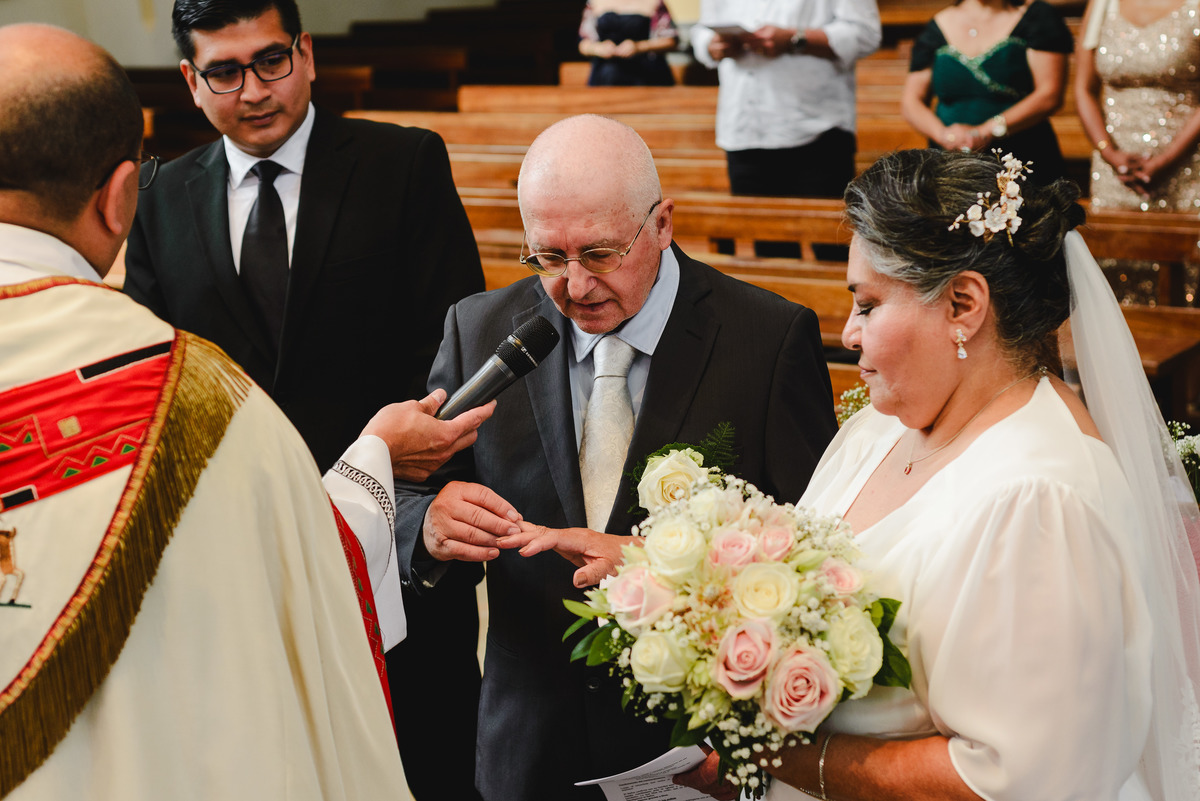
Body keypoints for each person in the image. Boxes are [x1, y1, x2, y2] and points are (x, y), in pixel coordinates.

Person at [0, 22, 494, 801]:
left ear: (306, 53)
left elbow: (454, 353)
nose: (255, 91)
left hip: (406, 576)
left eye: (271, 61)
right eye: (225, 72)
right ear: (120, 197)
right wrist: (374, 454)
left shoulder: (402, 165)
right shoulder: (191, 375)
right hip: (222, 603)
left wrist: (422, 516)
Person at [671, 147, 1200, 801]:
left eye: (868, 304)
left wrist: (779, 757)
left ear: (962, 304)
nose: (849, 333)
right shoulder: (881, 427)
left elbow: (1019, 781)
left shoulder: (1041, 499)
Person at [391, 114, 839, 800]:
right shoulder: (478, 327)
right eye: (548, 257)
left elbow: (817, 550)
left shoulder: (767, 340)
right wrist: (427, 523)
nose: (574, 286)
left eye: (599, 254)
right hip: (527, 744)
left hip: (695, 748)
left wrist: (661, 569)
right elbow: (411, 491)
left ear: (662, 224)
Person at [690, 0, 879, 257]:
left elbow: (866, 34)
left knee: (832, 249)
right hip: (745, 128)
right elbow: (701, 30)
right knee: (769, 250)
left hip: (817, 129)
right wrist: (711, 45)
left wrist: (795, 38)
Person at [902, 0, 1073, 183]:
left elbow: (1049, 95)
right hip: (951, 161)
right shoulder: (937, 25)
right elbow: (911, 101)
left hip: (1023, 158)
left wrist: (986, 131)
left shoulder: (1037, 18)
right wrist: (944, 135)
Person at [1075, 0, 1200, 211]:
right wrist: (1109, 152)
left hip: (1186, 165)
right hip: (1115, 171)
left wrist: (1167, 159)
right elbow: (1084, 89)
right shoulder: (1102, 4)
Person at [578, 0, 678, 86]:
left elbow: (671, 40)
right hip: (606, 76)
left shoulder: (655, 2)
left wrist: (638, 47)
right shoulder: (594, 2)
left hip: (645, 73)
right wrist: (598, 48)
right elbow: (583, 43)